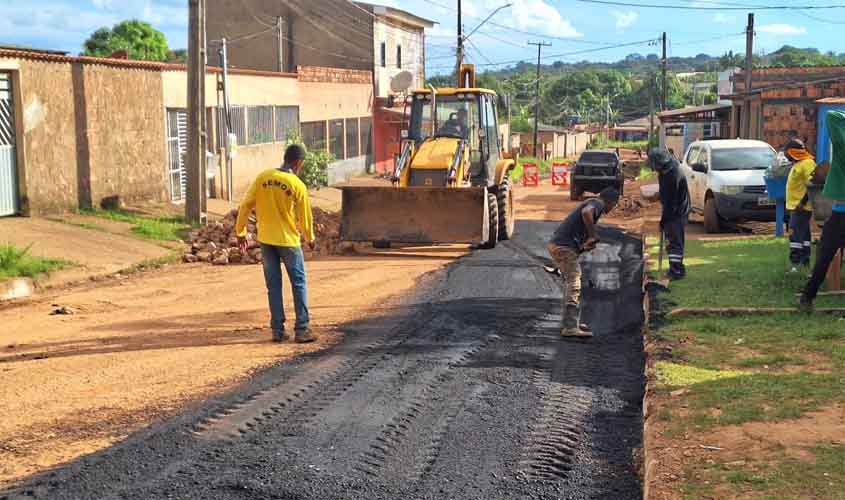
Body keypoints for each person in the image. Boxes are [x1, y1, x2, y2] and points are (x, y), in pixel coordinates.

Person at [236, 144, 316, 343]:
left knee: (273, 286)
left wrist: (241, 232)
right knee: (298, 283)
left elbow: (245, 204)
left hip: (266, 240)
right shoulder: (297, 185)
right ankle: (302, 329)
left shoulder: (263, 177)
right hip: (288, 241)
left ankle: (277, 331)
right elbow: (305, 217)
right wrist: (310, 238)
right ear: (298, 162)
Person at [547, 187, 620, 338]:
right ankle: (570, 327)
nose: (613, 208)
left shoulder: (593, 202)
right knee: (574, 281)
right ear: (610, 202)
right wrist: (593, 235)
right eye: (614, 205)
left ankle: (572, 322)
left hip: (561, 245)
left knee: (570, 282)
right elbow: (586, 213)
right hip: (563, 246)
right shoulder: (597, 203)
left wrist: (585, 245)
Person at [801, 110, 845, 311]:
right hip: (839, 211)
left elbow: (832, 116)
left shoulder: (842, 146)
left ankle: (807, 298)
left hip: (840, 213)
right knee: (825, 256)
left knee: (825, 256)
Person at [649, 147, 691, 280]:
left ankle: (676, 271)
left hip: (676, 212)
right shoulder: (667, 169)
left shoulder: (671, 175)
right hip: (675, 209)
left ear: (659, 163)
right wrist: (659, 195)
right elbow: (665, 194)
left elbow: (670, 204)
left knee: (674, 242)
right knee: (672, 241)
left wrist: (663, 222)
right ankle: (676, 268)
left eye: (654, 166)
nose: (653, 169)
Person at [784, 139, 816, 271]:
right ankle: (805, 260)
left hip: (801, 206)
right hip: (796, 206)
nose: (786, 155)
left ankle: (795, 263)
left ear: (793, 152)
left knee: (795, 233)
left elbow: (812, 184)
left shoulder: (807, 163)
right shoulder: (798, 163)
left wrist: (802, 203)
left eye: (787, 152)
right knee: (804, 233)